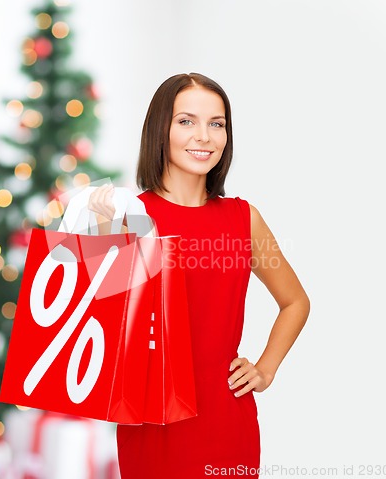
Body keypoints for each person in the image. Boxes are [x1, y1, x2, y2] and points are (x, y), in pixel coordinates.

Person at [88, 72, 310, 478]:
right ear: (161, 129)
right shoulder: (126, 217)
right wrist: (103, 238)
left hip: (226, 420)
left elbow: (295, 302)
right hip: (151, 423)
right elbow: (106, 329)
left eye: (217, 123)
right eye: (186, 121)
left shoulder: (244, 219)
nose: (204, 136)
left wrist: (265, 368)